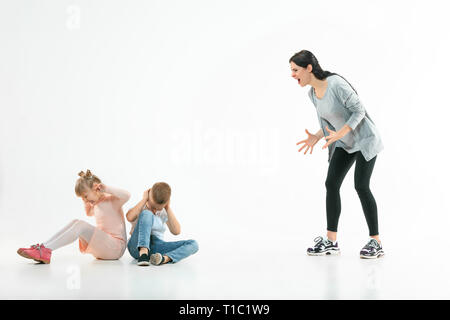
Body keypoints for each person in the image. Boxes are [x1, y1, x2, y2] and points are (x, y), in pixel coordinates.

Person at [290, 50, 384, 259]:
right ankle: (331, 241)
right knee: (331, 184)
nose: (292, 75)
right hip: (344, 143)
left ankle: (376, 242)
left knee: (361, 185)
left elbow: (359, 110)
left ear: (309, 68)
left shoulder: (336, 84)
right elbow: (328, 123)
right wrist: (316, 136)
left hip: (365, 140)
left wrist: (341, 132)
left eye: (295, 70)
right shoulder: (312, 94)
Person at [17, 170, 130, 263]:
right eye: (82, 198)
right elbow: (89, 214)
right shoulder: (95, 204)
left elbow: (127, 195)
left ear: (97, 188)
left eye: (85, 196)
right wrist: (87, 202)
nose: (85, 200)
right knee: (76, 221)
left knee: (80, 225)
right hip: (105, 246)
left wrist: (106, 189)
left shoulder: (111, 200)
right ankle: (43, 247)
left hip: (116, 247)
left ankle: (46, 250)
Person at [126, 182, 199, 266]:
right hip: (136, 246)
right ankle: (143, 253)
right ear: (148, 195)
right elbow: (129, 217)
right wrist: (143, 200)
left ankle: (164, 259)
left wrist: (167, 208)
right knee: (147, 213)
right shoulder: (141, 207)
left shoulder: (164, 212)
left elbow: (176, 231)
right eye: (153, 206)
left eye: (158, 208)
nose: (155, 210)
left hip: (156, 246)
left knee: (194, 244)